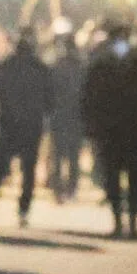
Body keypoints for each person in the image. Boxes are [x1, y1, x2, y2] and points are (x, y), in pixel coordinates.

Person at [0, 30, 53, 230]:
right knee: (27, 172)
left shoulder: (6, 67)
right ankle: (23, 211)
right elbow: (50, 100)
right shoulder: (41, 69)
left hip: (10, 126)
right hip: (31, 126)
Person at [82, 25, 137, 238]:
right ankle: (119, 221)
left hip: (131, 131)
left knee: (133, 179)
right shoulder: (102, 68)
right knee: (114, 178)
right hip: (112, 132)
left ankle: (132, 222)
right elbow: (90, 99)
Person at [49, 35, 85, 203]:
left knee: (59, 154)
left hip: (60, 116)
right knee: (73, 156)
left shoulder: (57, 67)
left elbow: (50, 93)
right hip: (75, 117)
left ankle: (59, 188)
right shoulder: (81, 68)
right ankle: (71, 188)